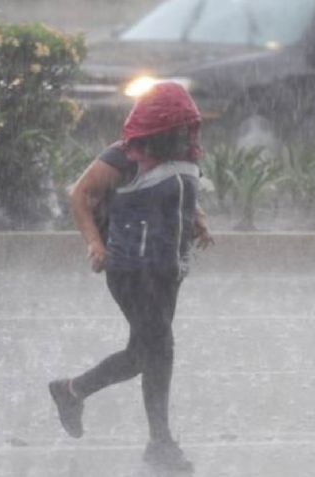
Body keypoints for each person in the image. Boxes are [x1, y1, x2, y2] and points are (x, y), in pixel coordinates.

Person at [49, 82, 214, 473]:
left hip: (169, 270)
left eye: (187, 126)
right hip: (131, 269)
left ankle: (72, 390)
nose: (183, 134)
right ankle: (160, 443)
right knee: (161, 350)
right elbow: (80, 195)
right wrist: (94, 244)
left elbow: (185, 195)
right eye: (175, 126)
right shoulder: (125, 157)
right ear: (156, 126)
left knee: (144, 354)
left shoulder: (187, 156)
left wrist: (199, 222)